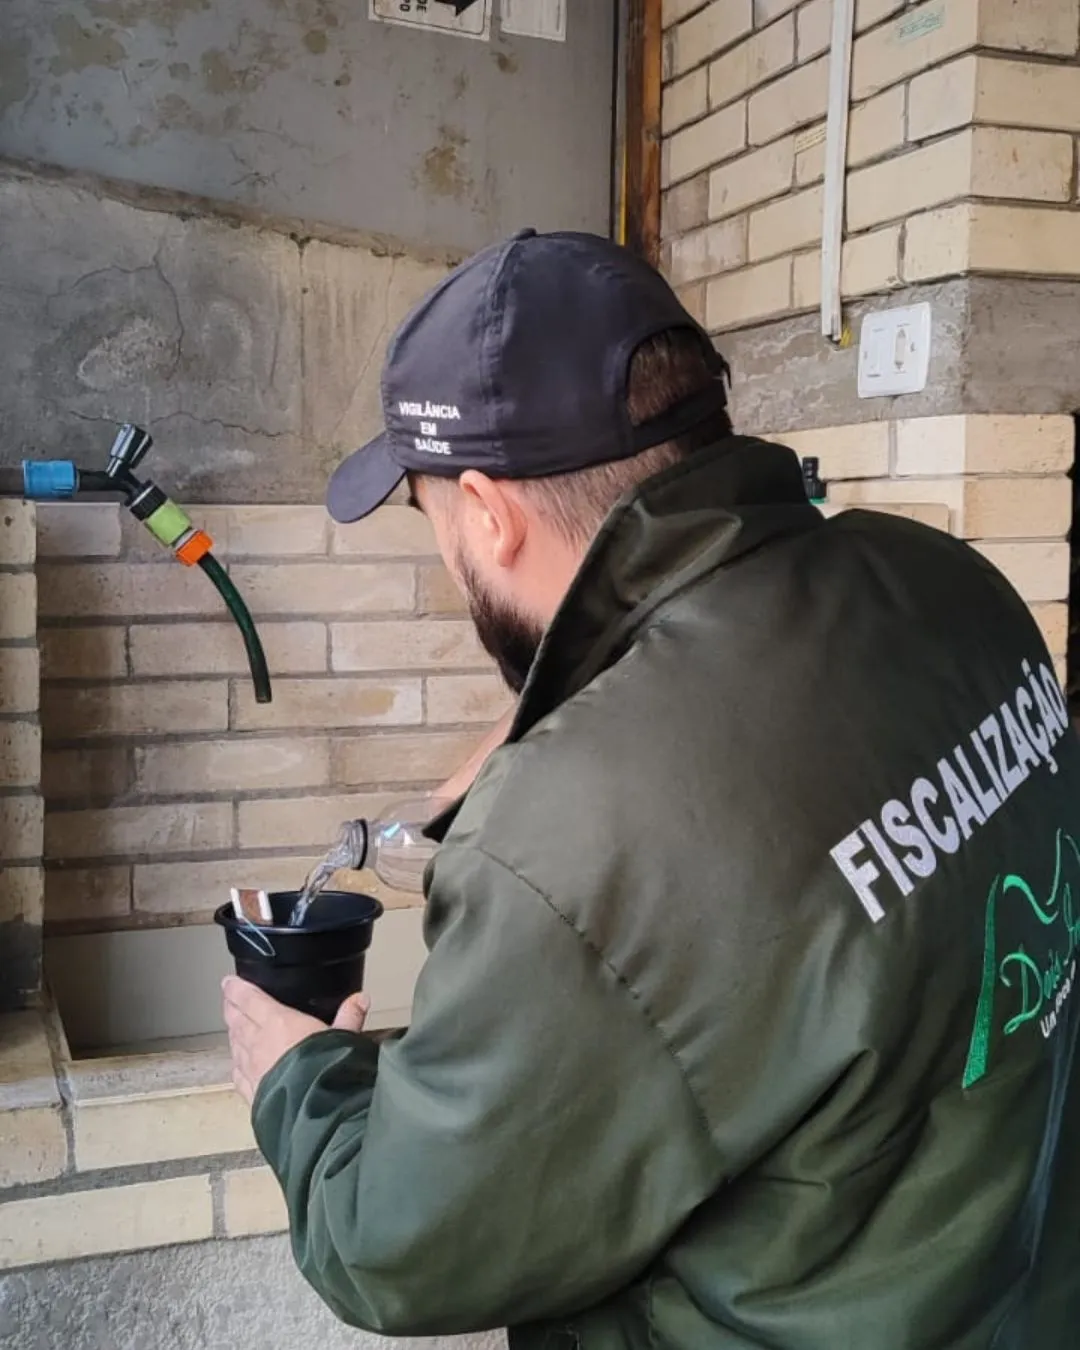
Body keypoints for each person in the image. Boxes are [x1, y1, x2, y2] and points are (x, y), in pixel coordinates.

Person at [223, 229, 1079, 1348]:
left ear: (487, 513)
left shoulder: (576, 834)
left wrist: (299, 1085)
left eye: (432, 522)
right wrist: (560, 739)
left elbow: (397, 1244)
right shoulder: (946, 580)